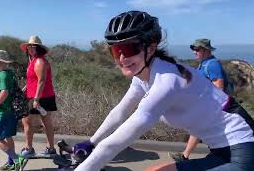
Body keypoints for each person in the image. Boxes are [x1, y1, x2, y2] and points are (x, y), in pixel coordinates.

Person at [72, 11, 254, 171]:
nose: (121, 58)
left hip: (244, 151)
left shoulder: (167, 80)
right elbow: (120, 112)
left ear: (150, 48)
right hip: (220, 149)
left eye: (128, 49)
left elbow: (116, 143)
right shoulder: (143, 76)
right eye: (115, 50)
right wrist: (91, 142)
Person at [168, 39, 232, 162]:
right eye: (194, 49)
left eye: (197, 49)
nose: (194, 52)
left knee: (200, 128)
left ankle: (186, 156)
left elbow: (219, 87)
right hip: (206, 105)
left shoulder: (212, 64)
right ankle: (186, 156)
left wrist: (209, 107)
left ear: (206, 50)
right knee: (200, 129)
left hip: (212, 106)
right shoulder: (203, 64)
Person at [0, 50, 25, 171]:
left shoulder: (2, 75)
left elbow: (4, 91)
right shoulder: (10, 73)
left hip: (3, 112)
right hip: (11, 111)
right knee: (8, 136)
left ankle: (17, 159)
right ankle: (12, 163)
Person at [20, 35, 58, 158]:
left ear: (38, 48)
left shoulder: (39, 61)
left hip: (39, 97)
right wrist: (27, 86)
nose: (30, 48)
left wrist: (36, 99)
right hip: (39, 95)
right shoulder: (33, 60)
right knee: (45, 122)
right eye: (29, 46)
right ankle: (50, 149)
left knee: (27, 121)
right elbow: (34, 79)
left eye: (33, 46)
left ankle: (29, 149)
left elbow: (42, 81)